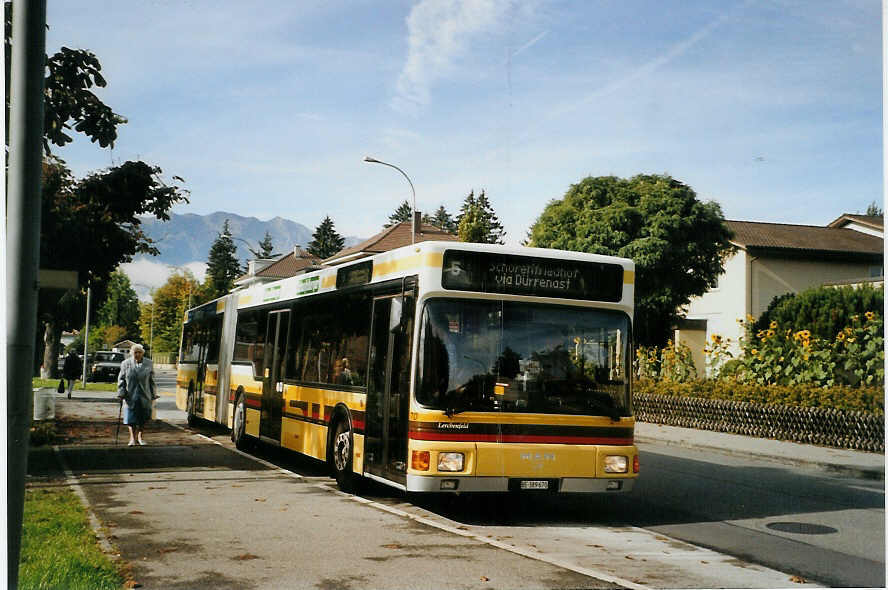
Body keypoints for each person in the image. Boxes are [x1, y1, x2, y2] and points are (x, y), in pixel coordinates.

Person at [116, 344, 158, 446]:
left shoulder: (149, 363)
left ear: (143, 353)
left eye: (139, 352)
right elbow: (121, 379)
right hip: (130, 394)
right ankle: (132, 438)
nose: (137, 354)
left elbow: (152, 380)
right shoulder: (125, 363)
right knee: (130, 418)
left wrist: (154, 394)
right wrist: (121, 393)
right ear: (131, 353)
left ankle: (140, 437)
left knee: (143, 417)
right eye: (135, 352)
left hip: (145, 394)